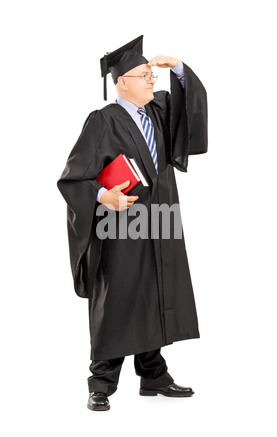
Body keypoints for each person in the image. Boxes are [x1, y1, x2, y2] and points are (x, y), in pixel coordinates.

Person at [57, 35, 208, 412]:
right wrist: (103, 197)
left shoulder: (158, 110)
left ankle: (153, 374)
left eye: (150, 75)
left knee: (155, 290)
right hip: (121, 223)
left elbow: (191, 116)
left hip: (161, 216)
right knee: (119, 297)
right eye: (143, 75)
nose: (150, 81)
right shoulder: (103, 121)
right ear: (122, 80)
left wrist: (178, 69)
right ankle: (101, 382)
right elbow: (74, 177)